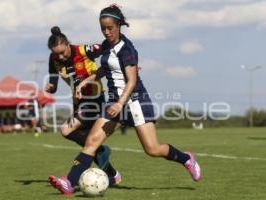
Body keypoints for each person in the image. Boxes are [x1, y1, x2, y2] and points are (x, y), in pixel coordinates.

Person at [53, 5, 201, 195]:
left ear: (119, 25)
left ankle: (186, 158)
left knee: (152, 149)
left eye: (110, 28)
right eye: (103, 29)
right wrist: (86, 82)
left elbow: (131, 81)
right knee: (92, 141)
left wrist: (119, 103)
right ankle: (69, 182)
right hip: (115, 103)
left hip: (135, 101)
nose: (106, 32)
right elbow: (104, 69)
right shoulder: (106, 46)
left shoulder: (127, 49)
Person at [45, 26, 121, 188]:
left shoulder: (84, 50)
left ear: (67, 44)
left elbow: (110, 48)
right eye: (56, 53)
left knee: (67, 130)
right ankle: (112, 174)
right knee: (89, 144)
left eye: (62, 52)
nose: (60, 56)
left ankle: (71, 181)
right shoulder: (53, 60)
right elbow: (54, 82)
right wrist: (51, 87)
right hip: (79, 103)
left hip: (95, 99)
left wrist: (125, 64)